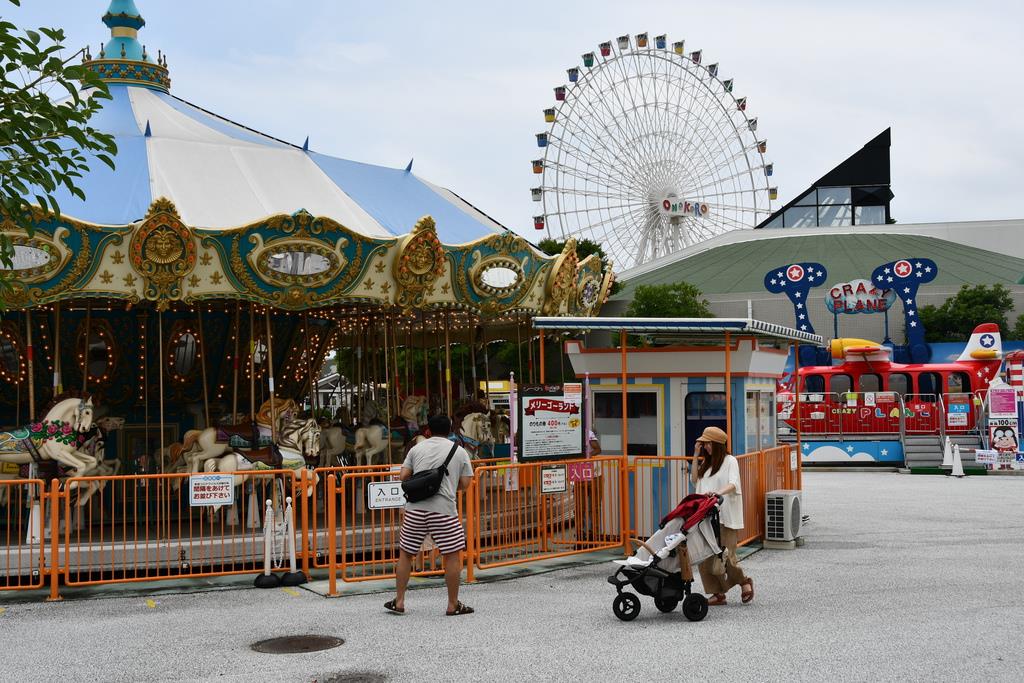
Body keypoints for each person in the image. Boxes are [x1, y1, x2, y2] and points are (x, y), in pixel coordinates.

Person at [385, 414, 475, 616]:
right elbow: (466, 484)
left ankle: (399, 601)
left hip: (415, 509)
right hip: (444, 510)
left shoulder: (416, 449)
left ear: (428, 430)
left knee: (406, 555)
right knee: (452, 555)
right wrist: (449, 487)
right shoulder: (459, 452)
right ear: (451, 430)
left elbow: (403, 476)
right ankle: (453, 604)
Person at [688, 426, 754, 606]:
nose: (706, 447)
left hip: (725, 517)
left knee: (726, 556)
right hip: (705, 517)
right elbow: (694, 480)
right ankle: (717, 593)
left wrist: (716, 494)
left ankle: (744, 581)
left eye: (708, 444)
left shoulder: (730, 461)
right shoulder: (707, 463)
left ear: (717, 445)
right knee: (704, 558)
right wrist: (695, 455)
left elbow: (733, 484)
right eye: (704, 444)